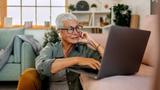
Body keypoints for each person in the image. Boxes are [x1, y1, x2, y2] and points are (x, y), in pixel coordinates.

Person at [17, 13, 104, 90]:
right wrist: (77, 60)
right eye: (70, 29)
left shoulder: (83, 49)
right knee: (28, 74)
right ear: (59, 31)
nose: (75, 32)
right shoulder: (51, 47)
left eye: (77, 28)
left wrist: (92, 42)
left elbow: (107, 64)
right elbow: (41, 66)